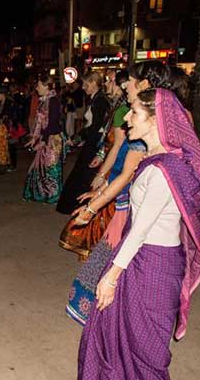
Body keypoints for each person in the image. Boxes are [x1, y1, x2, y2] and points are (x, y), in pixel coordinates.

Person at [77, 88, 200, 380]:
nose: (126, 119)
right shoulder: (156, 161)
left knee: (145, 345)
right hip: (142, 259)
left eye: (134, 112)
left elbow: (141, 229)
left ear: (155, 120)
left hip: (153, 265)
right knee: (120, 333)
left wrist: (110, 276)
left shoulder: (163, 171)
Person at [65, 63, 172, 324]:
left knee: (111, 268)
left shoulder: (159, 164)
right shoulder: (147, 142)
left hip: (147, 242)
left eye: (129, 80)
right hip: (129, 212)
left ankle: (107, 316)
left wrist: (92, 207)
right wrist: (101, 187)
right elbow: (118, 158)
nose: (123, 84)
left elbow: (139, 225)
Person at [56, 72, 110, 214]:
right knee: (81, 176)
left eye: (86, 84)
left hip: (94, 143)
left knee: (83, 176)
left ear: (94, 83)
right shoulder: (95, 99)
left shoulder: (99, 100)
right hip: (91, 141)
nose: (84, 87)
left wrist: (77, 137)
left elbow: (95, 126)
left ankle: (81, 206)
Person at [23, 75, 63, 203]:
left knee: (50, 169)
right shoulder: (44, 101)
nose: (36, 88)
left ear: (46, 86)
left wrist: (43, 140)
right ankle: (42, 194)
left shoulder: (53, 101)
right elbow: (39, 123)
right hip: (45, 139)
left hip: (52, 140)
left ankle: (53, 196)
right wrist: (34, 138)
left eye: (39, 85)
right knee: (40, 168)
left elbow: (52, 124)